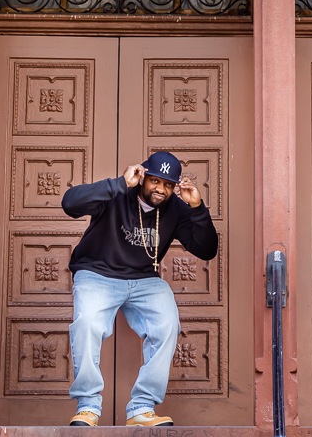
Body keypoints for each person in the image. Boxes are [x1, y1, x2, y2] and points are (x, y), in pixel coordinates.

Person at [61, 151, 218, 427]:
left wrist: (197, 208)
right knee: (87, 323)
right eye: (155, 181)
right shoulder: (117, 194)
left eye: (168, 184)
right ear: (142, 175)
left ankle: (142, 408)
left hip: (145, 279)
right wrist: (119, 184)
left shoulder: (176, 209)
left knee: (167, 324)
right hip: (97, 273)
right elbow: (69, 203)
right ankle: (87, 406)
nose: (161, 189)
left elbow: (206, 250)